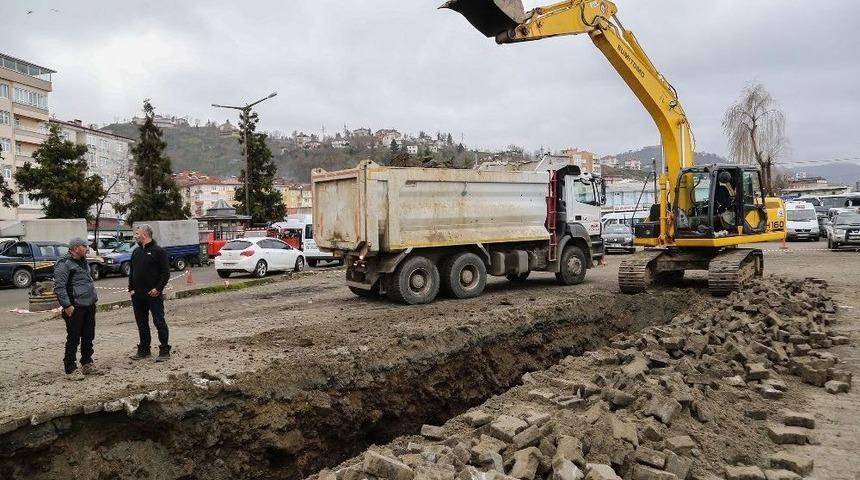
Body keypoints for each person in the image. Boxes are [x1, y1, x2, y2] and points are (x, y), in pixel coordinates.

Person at [54, 237, 99, 381]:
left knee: (88, 335)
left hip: (89, 305)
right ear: (75, 248)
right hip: (75, 307)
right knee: (73, 337)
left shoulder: (83, 261)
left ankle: (86, 362)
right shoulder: (64, 264)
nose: (87, 248)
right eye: (84, 246)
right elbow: (59, 287)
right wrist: (67, 306)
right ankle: (70, 368)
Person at [128, 224, 172, 362]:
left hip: (153, 295)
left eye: (137, 234)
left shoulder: (159, 251)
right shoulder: (136, 252)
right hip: (138, 296)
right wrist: (131, 289)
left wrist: (158, 289)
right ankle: (144, 350)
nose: (135, 236)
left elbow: (165, 273)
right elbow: (132, 272)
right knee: (142, 324)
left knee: (159, 322)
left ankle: (164, 350)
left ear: (145, 235)